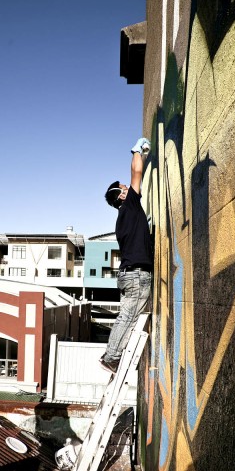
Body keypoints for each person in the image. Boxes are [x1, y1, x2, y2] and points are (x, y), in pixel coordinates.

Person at [100, 137, 153, 374]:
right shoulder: (130, 205)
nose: (128, 188)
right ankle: (111, 357)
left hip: (128, 275)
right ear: (122, 196)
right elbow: (136, 173)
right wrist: (136, 151)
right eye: (124, 187)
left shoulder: (123, 218)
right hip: (136, 275)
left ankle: (111, 354)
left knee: (126, 316)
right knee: (129, 317)